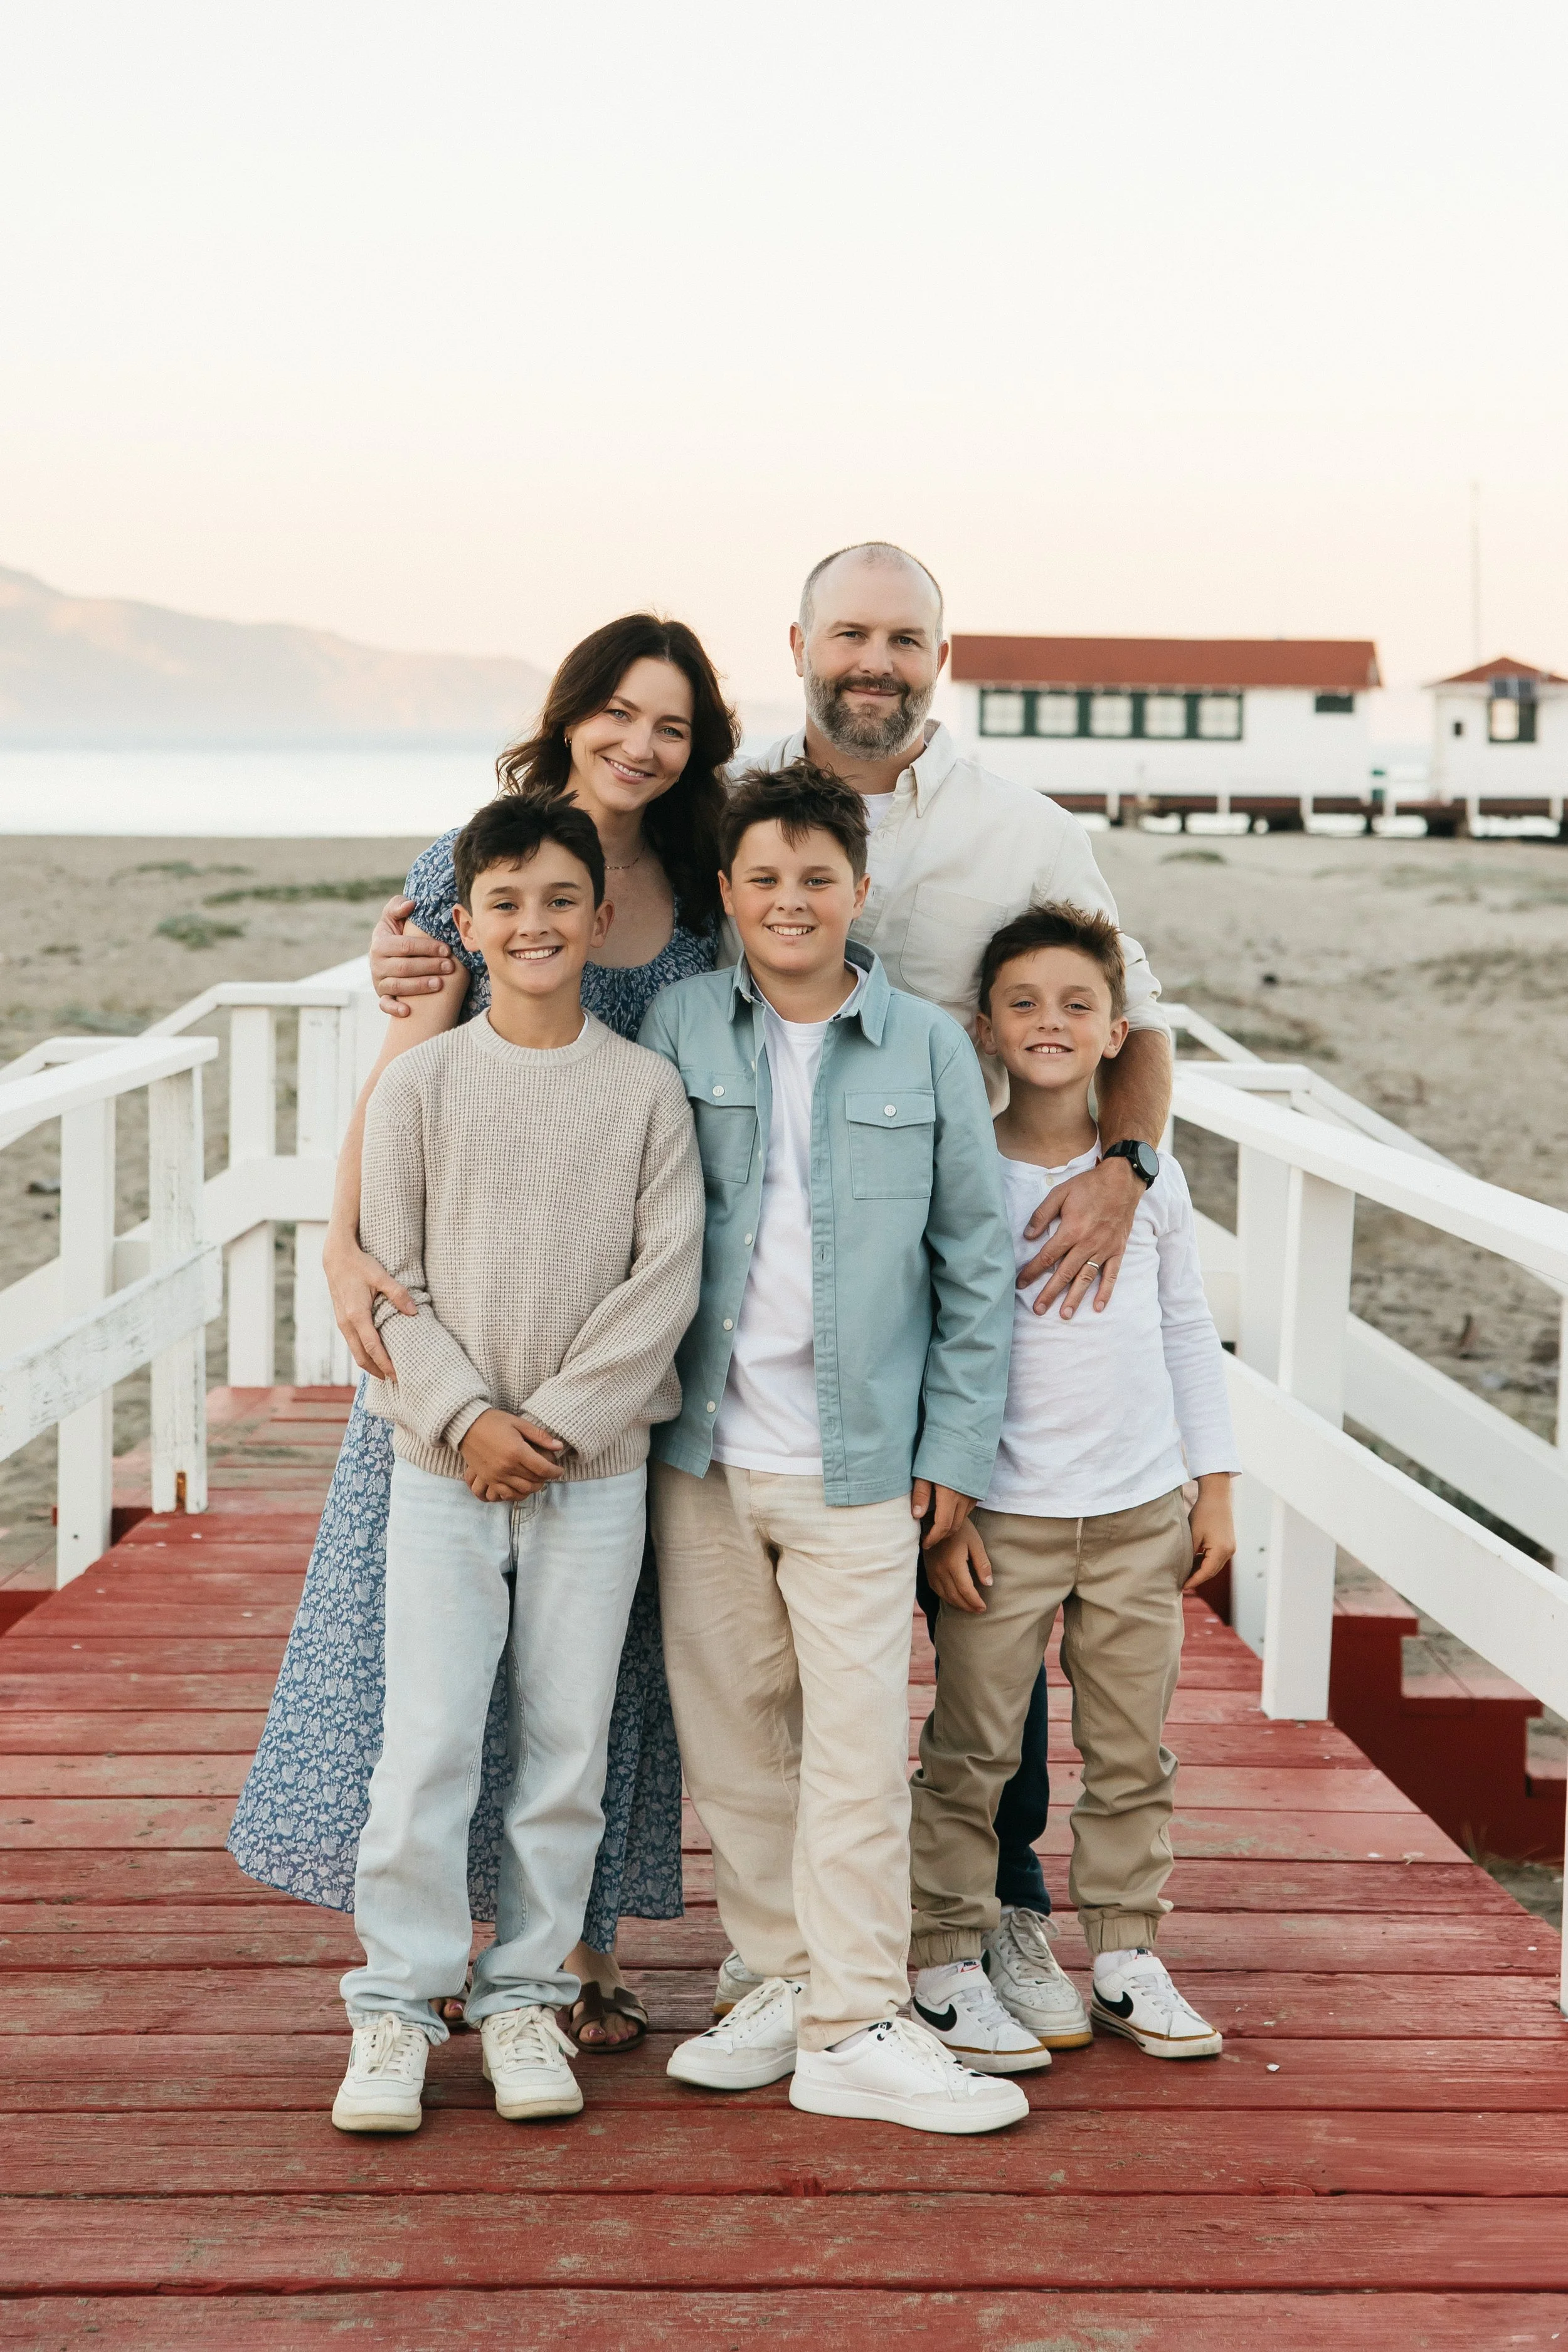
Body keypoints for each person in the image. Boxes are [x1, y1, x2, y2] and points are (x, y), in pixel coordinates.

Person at [370, 541, 1176, 1998]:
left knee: (961, 1655)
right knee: (712, 1703)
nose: (875, 659)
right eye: (849, 633)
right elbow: (535, 968)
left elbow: (1139, 1023)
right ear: (799, 643)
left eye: (904, 637)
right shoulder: (705, 853)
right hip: (695, 1394)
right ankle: (752, 1966)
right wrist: (420, 982)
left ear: (942, 652)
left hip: (914, 1328)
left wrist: (1125, 1171)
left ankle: (963, 1925)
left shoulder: (1024, 839)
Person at [228, 615, 734, 2053]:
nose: (641, 744)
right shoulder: (474, 869)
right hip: (459, 1327)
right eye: (619, 713)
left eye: (673, 726)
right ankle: (413, 1970)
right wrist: (343, 1246)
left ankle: (567, 1958)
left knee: (592, 1681)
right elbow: (406, 1081)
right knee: (435, 1688)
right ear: (571, 713)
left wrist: (590, 1406)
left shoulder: (703, 896)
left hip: (610, 1353)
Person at [640, 761, 1026, 2136]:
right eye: (763, 880)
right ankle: (783, 1978)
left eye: (816, 877)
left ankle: (858, 2019)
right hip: (698, 1454)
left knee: (856, 1747)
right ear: (727, 895)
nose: (790, 900)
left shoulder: (923, 1044)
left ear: (859, 889)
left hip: (858, 1464)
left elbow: (976, 1267)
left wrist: (957, 1453)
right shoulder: (681, 1024)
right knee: (737, 1737)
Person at [332, 793, 703, 2132]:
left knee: (566, 1746)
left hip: (592, 1476)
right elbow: (389, 1273)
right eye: (506, 903)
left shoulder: (645, 1090)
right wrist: (466, 1421)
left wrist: (551, 1426)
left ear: (600, 920)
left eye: (559, 900)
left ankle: (525, 1998)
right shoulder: (423, 1083)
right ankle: (392, 2006)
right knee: (426, 1743)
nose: (534, 924)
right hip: (442, 1471)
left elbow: (663, 1283)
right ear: (467, 923)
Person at [907, 904, 1238, 2072]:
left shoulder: (1152, 1173)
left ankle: (1127, 1952)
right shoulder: (963, 1171)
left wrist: (1217, 1485)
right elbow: (930, 1336)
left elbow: (1189, 1328)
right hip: (1004, 1518)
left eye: (1078, 1004)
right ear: (985, 1030)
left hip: (1141, 1507)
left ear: (1116, 1032)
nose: (1051, 1022)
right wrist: (942, 1512)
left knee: (1132, 1747)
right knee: (973, 1748)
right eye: (1024, 1003)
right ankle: (946, 1955)